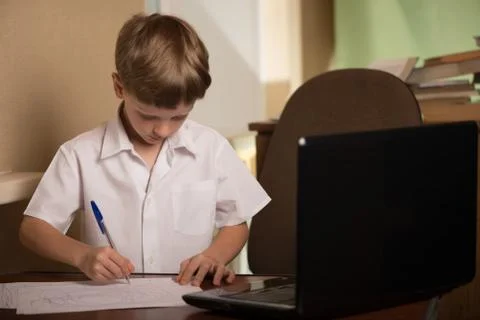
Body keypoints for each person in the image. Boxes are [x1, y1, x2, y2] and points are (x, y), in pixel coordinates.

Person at [18, 13, 270, 287]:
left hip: (188, 300)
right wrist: (83, 256)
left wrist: (214, 256)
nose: (162, 130)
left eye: (178, 117)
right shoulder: (80, 154)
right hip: (113, 304)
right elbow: (33, 229)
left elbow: (236, 223)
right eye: (148, 116)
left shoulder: (211, 148)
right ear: (119, 87)